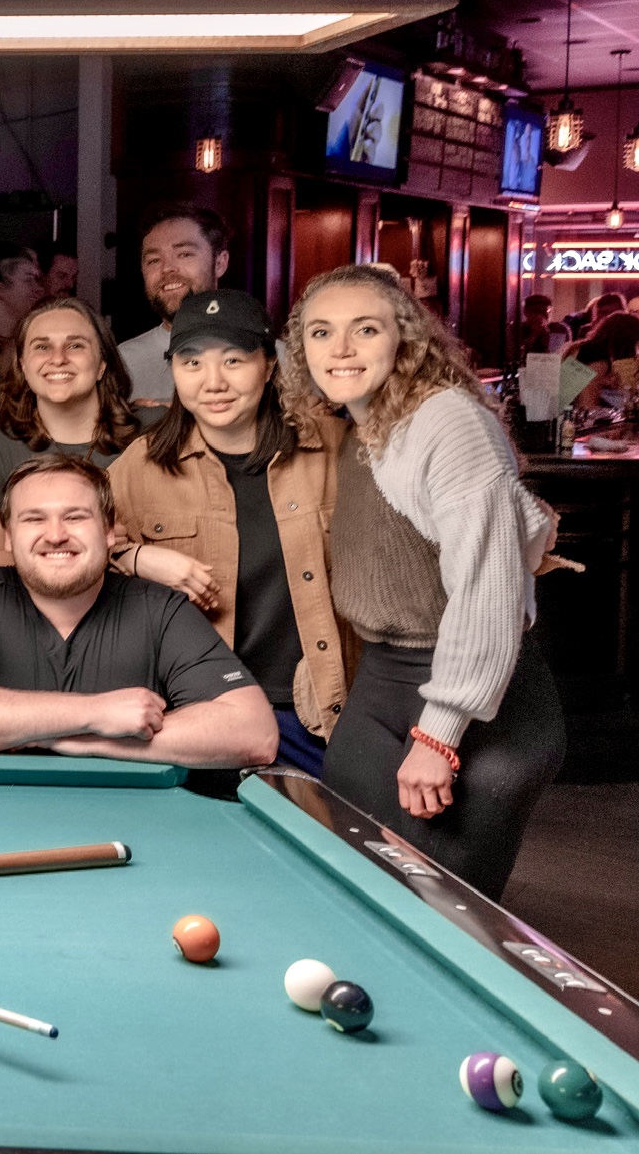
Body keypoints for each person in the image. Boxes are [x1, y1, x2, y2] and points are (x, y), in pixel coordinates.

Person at [291, 264, 566, 898]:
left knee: (444, 913)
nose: (340, 349)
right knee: (361, 888)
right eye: (320, 332)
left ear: (405, 338)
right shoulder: (364, 420)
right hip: (383, 686)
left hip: (478, 707)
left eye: (365, 329)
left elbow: (487, 594)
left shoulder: (448, 421)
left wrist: (439, 735)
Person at [105, 290, 350, 776]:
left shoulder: (336, 449)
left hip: (314, 712)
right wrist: (136, 558)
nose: (213, 382)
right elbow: (74, 557)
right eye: (191, 362)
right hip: (194, 712)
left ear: (269, 366)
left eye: (234, 360)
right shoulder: (141, 464)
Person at [0, 456, 279, 769]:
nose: (56, 535)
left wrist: (81, 740)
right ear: (9, 537)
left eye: (75, 517)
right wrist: (97, 713)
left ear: (108, 532)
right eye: (34, 519)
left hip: (135, 822)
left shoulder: (160, 608)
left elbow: (253, 733)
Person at [0, 296, 154, 567]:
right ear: (24, 365)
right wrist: (90, 546)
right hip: (32, 606)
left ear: (102, 364)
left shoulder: (154, 430)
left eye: (75, 345)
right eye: (42, 347)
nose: (58, 359)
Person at [117, 205, 234, 404]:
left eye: (184, 254)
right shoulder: (121, 362)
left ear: (220, 263)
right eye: (154, 260)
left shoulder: (268, 355)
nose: (167, 269)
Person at [514, 294, 553, 358]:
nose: (543, 316)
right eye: (538, 311)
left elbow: (556, 355)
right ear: (526, 312)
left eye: (547, 311)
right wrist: (535, 334)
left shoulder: (557, 329)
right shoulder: (517, 330)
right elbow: (516, 354)